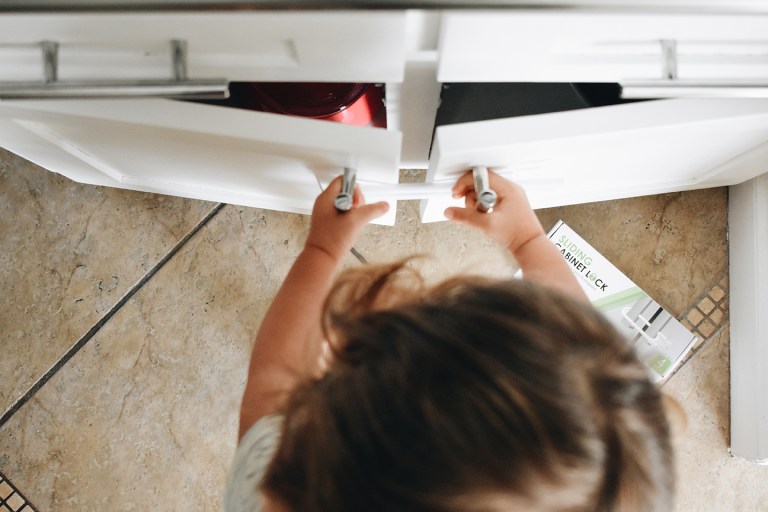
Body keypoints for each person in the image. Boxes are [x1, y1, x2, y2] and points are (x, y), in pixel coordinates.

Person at [225, 170, 686, 512]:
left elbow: (271, 387)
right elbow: (579, 359)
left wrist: (321, 250)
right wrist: (529, 240)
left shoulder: (277, 487)